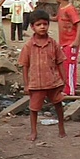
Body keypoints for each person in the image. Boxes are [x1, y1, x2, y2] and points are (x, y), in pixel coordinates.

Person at [18, 9, 67, 141]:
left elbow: (60, 61)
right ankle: (34, 131)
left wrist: (64, 80)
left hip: (53, 82)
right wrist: (26, 85)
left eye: (45, 24)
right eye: (39, 25)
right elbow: (24, 65)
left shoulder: (53, 44)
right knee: (34, 108)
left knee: (58, 104)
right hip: (36, 83)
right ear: (32, 27)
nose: (42, 27)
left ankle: (61, 127)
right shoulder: (28, 46)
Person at [52, 0, 80, 96]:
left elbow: (78, 24)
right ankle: (66, 87)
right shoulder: (61, 8)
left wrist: (76, 40)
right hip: (64, 43)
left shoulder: (70, 9)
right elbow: (57, 18)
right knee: (63, 65)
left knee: (70, 66)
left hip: (71, 43)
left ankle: (70, 90)